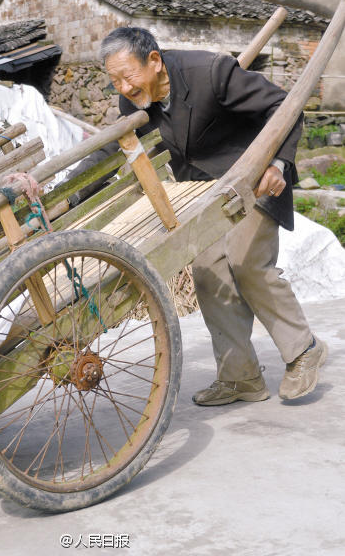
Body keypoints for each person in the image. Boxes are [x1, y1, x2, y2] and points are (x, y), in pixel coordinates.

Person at [69, 26, 327, 405]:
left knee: (246, 260)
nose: (123, 88)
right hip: (204, 193)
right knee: (208, 273)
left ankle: (303, 349)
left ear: (154, 61)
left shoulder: (210, 73)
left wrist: (278, 163)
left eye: (128, 76)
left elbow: (283, 106)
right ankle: (241, 379)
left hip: (254, 178)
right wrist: (71, 194)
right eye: (114, 81)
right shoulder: (135, 100)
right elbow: (111, 150)